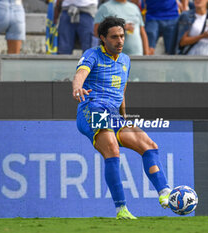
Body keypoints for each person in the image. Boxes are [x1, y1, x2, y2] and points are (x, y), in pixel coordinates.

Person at [72, 16, 171, 219]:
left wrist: (124, 117)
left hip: (113, 115)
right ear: (102, 38)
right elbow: (80, 74)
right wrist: (77, 88)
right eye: (114, 37)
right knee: (112, 148)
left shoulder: (125, 60)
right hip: (91, 110)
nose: (120, 41)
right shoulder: (92, 55)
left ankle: (166, 193)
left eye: (122, 36)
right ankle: (121, 209)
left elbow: (121, 91)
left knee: (149, 145)